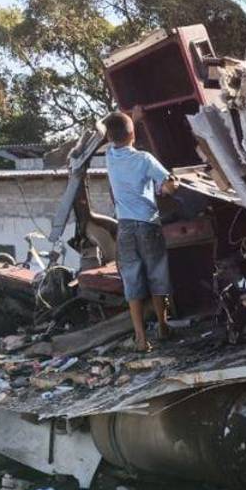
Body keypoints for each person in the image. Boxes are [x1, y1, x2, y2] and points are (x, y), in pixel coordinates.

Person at [101, 110, 180, 352]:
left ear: (110, 137)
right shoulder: (145, 159)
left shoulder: (109, 156)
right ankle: (163, 327)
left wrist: (130, 121)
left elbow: (112, 132)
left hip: (125, 227)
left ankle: (141, 339)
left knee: (132, 281)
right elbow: (169, 186)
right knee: (157, 275)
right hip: (148, 224)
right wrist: (171, 185)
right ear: (133, 134)